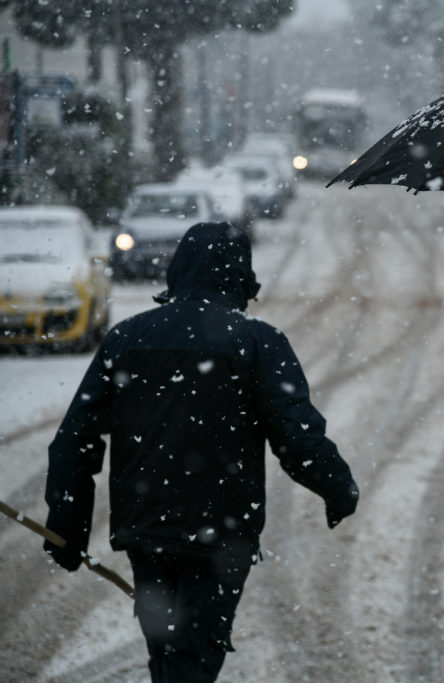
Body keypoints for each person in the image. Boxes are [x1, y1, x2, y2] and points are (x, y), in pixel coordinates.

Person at [43, 222, 359, 682]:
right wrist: (338, 488)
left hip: (145, 527)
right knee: (193, 658)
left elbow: (76, 439)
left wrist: (67, 525)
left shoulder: (127, 338)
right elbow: (298, 438)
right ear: (240, 276)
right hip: (221, 533)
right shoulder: (258, 343)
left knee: (167, 655)